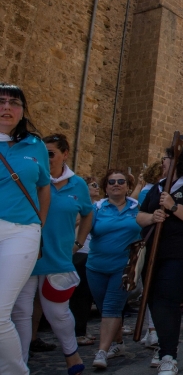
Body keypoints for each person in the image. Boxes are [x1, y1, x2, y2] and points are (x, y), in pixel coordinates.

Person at [11, 134, 92, 374]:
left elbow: (88, 212)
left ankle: (72, 355)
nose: (46, 158)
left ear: (65, 154)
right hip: (26, 254)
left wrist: (78, 243)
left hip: (58, 257)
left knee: (57, 311)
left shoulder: (78, 184)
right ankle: (21, 364)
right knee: (21, 312)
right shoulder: (32, 177)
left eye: (51, 153)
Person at [137, 145, 183, 374]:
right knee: (152, 299)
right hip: (154, 254)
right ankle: (164, 345)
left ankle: (169, 354)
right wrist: (152, 217)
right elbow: (139, 215)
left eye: (166, 158)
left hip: (179, 254)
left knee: (167, 299)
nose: (163, 163)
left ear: (178, 161)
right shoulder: (157, 188)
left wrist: (173, 207)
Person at [0, 83, 49, 375]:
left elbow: (44, 188)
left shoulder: (35, 145)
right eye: (2, 101)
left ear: (22, 111)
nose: (7, 107)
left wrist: (38, 224)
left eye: (14, 103)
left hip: (21, 232)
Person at [87, 169, 140, 369]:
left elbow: (149, 224)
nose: (116, 184)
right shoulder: (96, 209)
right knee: (105, 308)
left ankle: (102, 352)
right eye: (111, 182)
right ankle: (117, 344)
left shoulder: (136, 208)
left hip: (123, 268)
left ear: (127, 187)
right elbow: (82, 227)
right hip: (96, 267)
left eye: (121, 181)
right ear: (106, 187)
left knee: (111, 307)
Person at [71, 176, 100, 346]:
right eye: (93, 185)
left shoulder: (98, 205)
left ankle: (81, 329)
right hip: (79, 251)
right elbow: (73, 222)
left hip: (91, 252)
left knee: (87, 295)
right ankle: (77, 332)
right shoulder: (79, 203)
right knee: (80, 295)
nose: (96, 187)